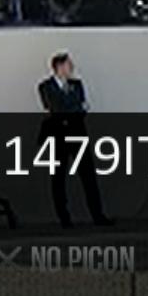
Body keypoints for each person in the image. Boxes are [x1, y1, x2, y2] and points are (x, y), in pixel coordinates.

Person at [37, 52, 109, 227]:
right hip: (58, 137)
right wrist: (73, 108)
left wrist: (70, 110)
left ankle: (98, 215)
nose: (72, 68)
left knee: (88, 176)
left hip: (78, 134)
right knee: (58, 177)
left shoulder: (77, 84)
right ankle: (64, 218)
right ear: (59, 67)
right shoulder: (45, 87)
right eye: (69, 65)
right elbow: (55, 108)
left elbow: (80, 107)